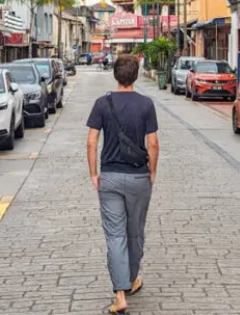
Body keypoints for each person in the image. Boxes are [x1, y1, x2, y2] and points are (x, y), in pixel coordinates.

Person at [86, 54, 160, 314]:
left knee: (115, 236)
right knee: (135, 233)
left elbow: (92, 141)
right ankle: (131, 278)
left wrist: (94, 173)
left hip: (110, 178)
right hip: (139, 177)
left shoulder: (101, 104)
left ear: (115, 74)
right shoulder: (146, 104)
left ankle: (120, 295)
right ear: (136, 75)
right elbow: (152, 143)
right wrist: (152, 172)